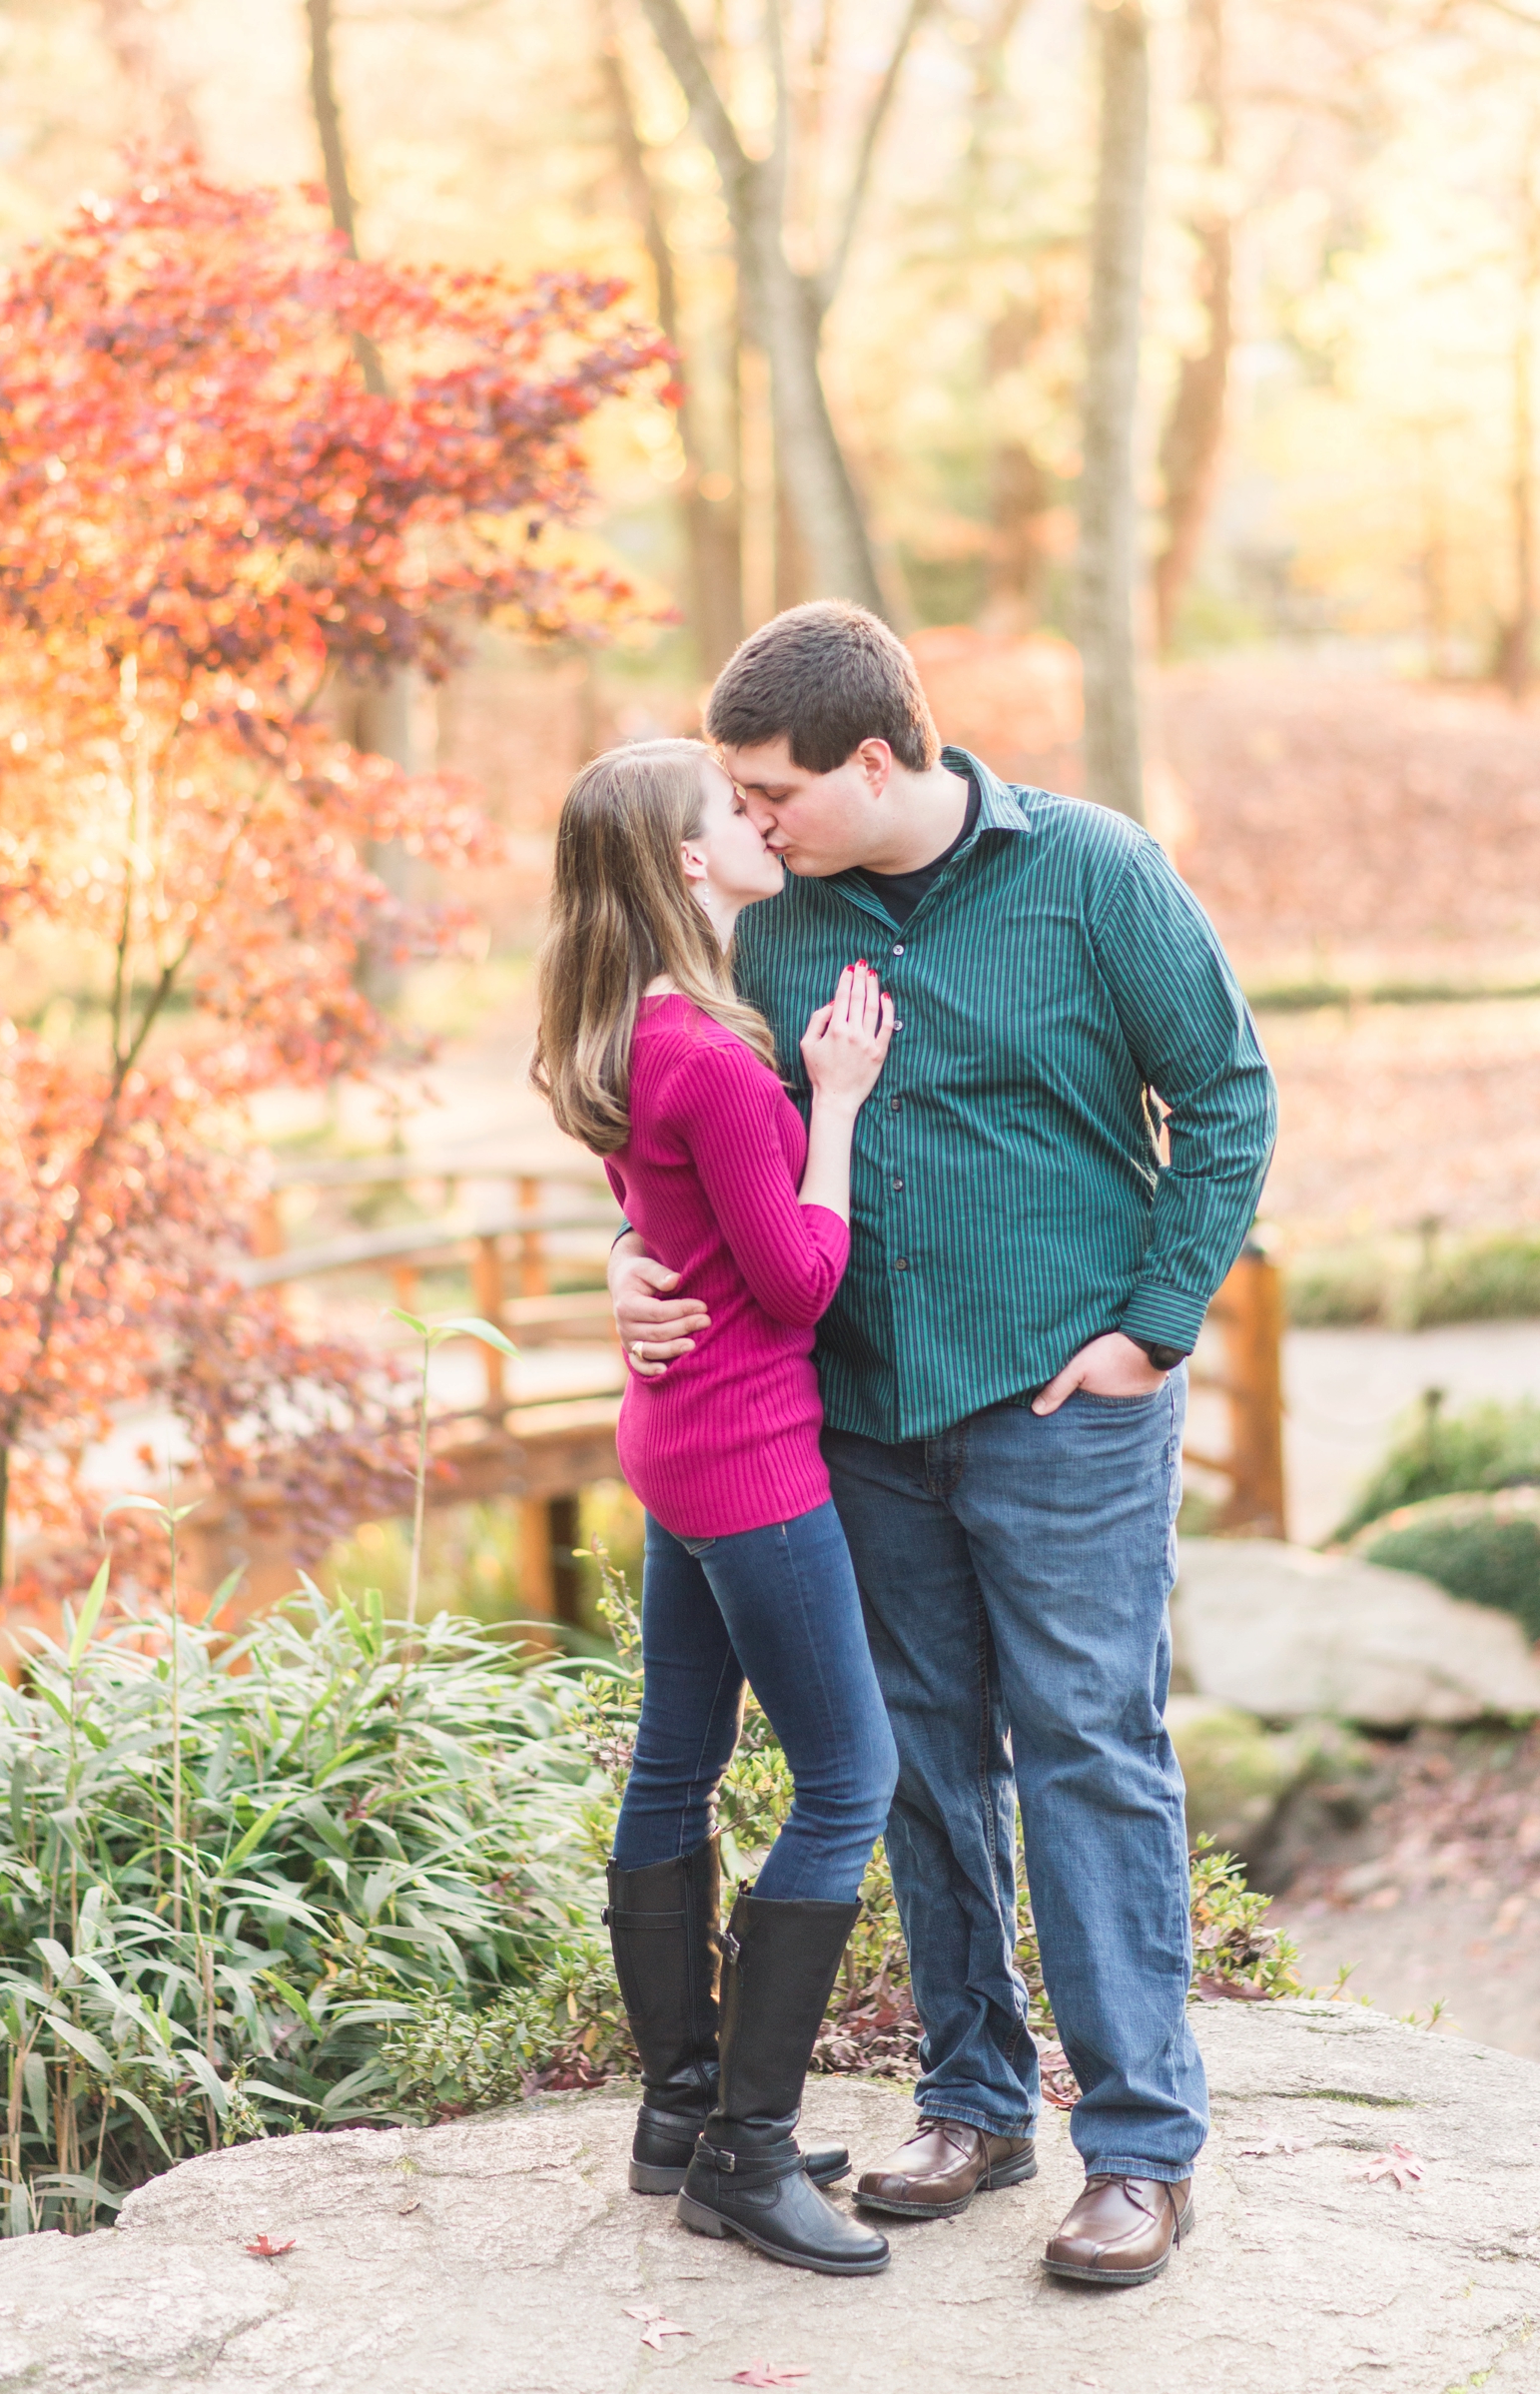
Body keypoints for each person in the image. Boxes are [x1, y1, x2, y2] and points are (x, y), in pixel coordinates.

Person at [609, 606, 1278, 2289]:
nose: (749, 821)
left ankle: (1141, 2148)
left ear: (876, 762)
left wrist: (1153, 1322)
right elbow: (679, 1122)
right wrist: (625, 1262)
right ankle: (975, 2098)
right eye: (736, 798)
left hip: (1065, 1412)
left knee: (1084, 1749)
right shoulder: (763, 921)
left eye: (774, 791)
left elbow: (1229, 1093)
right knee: (917, 1761)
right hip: (851, 1412)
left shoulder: (1095, 874)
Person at [530, 736, 900, 2278]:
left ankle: (678, 2113)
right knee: (849, 1781)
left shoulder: (624, 1033)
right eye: (730, 815)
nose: (757, 825)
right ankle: (744, 2155)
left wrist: (626, 1260)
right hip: (749, 1455)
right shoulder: (719, 1062)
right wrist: (842, 1101)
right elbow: (800, 1280)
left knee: (674, 1762)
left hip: (671, 1440)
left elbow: (653, 1212)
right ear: (688, 864)